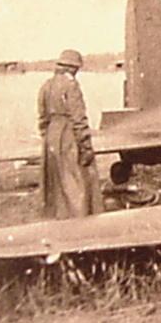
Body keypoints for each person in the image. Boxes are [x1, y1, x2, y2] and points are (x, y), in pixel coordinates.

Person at [37, 49, 102, 219]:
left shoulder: (46, 85)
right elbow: (79, 118)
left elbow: (42, 118)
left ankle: (57, 218)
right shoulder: (71, 85)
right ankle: (81, 222)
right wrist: (86, 147)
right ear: (73, 68)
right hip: (68, 135)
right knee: (77, 181)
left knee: (56, 182)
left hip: (51, 135)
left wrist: (48, 136)